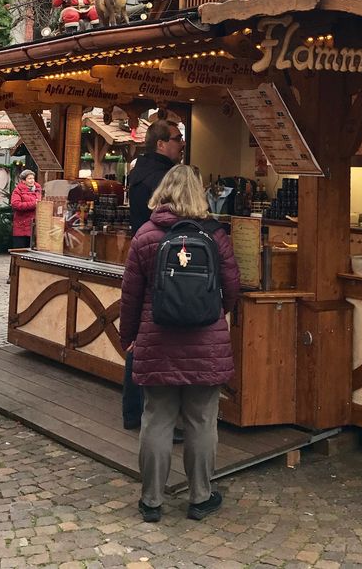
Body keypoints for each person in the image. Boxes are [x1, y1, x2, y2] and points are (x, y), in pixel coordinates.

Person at [120, 165, 240, 523]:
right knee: (202, 421)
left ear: (163, 192)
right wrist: (218, 312)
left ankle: (152, 500)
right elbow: (232, 287)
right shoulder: (216, 235)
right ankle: (200, 497)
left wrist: (129, 338)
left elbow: (130, 296)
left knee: (156, 419)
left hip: (157, 340)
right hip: (206, 341)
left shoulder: (144, 235)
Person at [124, 119, 185, 433]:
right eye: (177, 139)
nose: (181, 144)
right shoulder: (163, 177)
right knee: (161, 340)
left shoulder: (138, 171)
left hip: (141, 253)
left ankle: (132, 410)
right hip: (164, 262)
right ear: (161, 143)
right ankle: (160, 418)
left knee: (139, 338)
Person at [10, 169, 42, 247]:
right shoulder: (17, 191)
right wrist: (34, 204)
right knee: (21, 251)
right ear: (23, 181)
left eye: (33, 178)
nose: (32, 180)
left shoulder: (38, 190)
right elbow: (15, 204)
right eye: (29, 178)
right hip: (22, 226)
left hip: (35, 226)